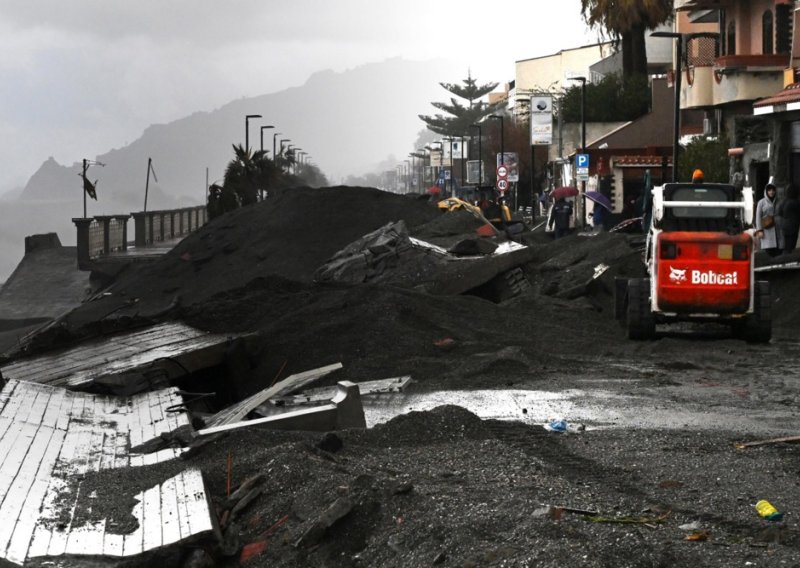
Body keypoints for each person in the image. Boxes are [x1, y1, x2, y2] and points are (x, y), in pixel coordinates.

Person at [755, 183, 783, 256]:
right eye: (769, 190)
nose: (771, 192)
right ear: (766, 191)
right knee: (769, 251)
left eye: (773, 190)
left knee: (779, 250)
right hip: (767, 229)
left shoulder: (779, 201)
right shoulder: (761, 202)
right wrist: (759, 230)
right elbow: (758, 217)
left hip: (778, 229)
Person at [778, 184, 800, 254]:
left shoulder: (783, 201)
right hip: (793, 226)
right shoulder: (795, 202)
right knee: (791, 244)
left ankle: (785, 255)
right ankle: (788, 256)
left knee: (786, 244)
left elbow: (779, 213)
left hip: (784, 225)